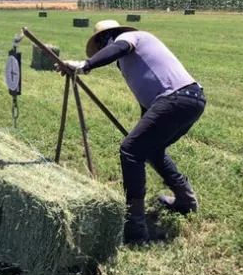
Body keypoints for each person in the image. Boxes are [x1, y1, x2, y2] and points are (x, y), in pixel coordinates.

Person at [58, 20, 206, 243]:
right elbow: (148, 98)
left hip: (176, 98)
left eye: (101, 47)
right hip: (191, 99)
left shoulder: (130, 39)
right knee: (150, 150)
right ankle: (186, 200)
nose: (103, 51)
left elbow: (119, 48)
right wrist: (141, 130)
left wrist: (85, 65)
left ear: (104, 39)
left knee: (130, 150)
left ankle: (135, 226)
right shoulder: (131, 61)